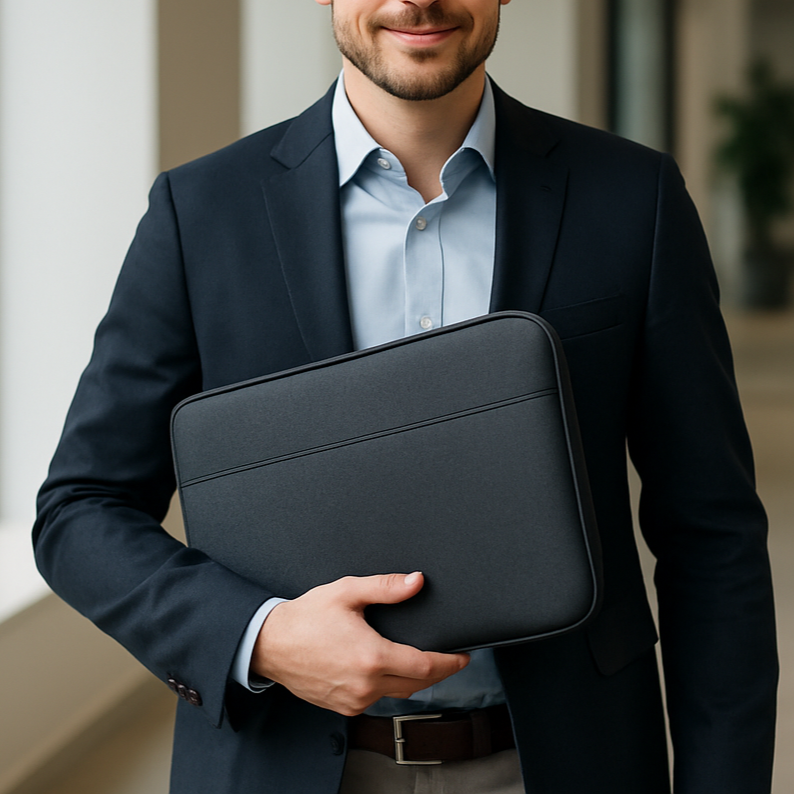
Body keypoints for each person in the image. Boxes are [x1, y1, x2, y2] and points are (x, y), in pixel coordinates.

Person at [33, 1, 778, 792]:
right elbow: (81, 509)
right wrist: (263, 636)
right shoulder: (201, 212)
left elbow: (712, 536)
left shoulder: (635, 198)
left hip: (563, 762)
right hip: (285, 765)